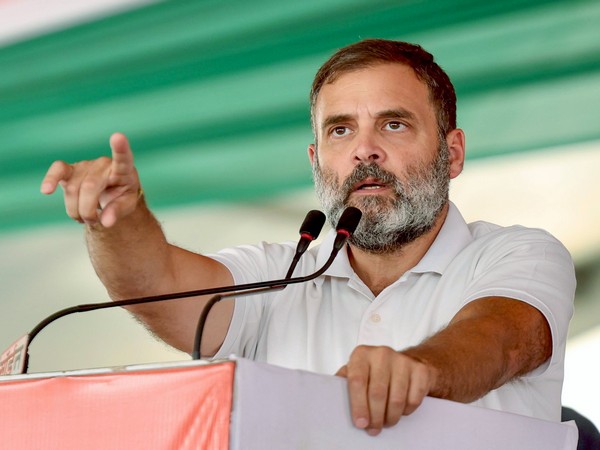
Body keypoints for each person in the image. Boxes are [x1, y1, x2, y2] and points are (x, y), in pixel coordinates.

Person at [40, 39, 576, 436]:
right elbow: (159, 286)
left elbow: (499, 340)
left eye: (394, 124)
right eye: (340, 130)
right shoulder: (282, 270)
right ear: (316, 160)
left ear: (452, 153)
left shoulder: (519, 253)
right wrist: (119, 221)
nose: (365, 150)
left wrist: (420, 369)